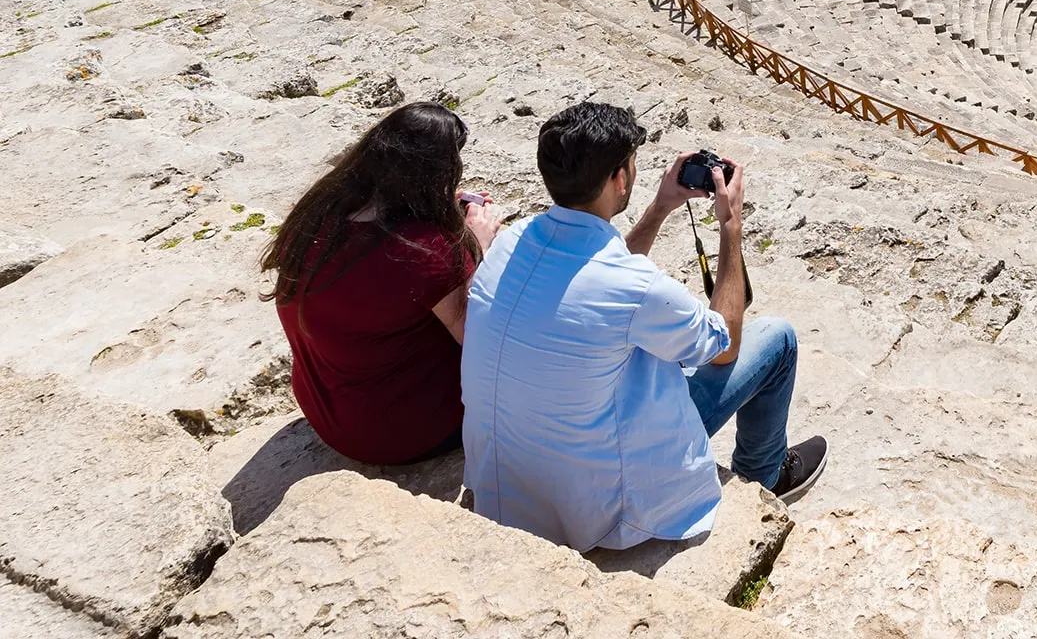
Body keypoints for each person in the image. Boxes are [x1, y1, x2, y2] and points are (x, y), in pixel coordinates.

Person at [460, 101, 825, 551]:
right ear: (619, 179)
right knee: (777, 338)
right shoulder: (637, 288)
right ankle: (765, 475)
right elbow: (724, 345)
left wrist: (660, 207)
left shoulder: (508, 244)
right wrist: (730, 225)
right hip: (597, 507)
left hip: (506, 486)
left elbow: (596, 278)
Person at [262, 102, 503, 465]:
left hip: (325, 409)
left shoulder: (319, 209)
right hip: (402, 434)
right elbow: (480, 338)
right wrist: (478, 244)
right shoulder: (427, 251)